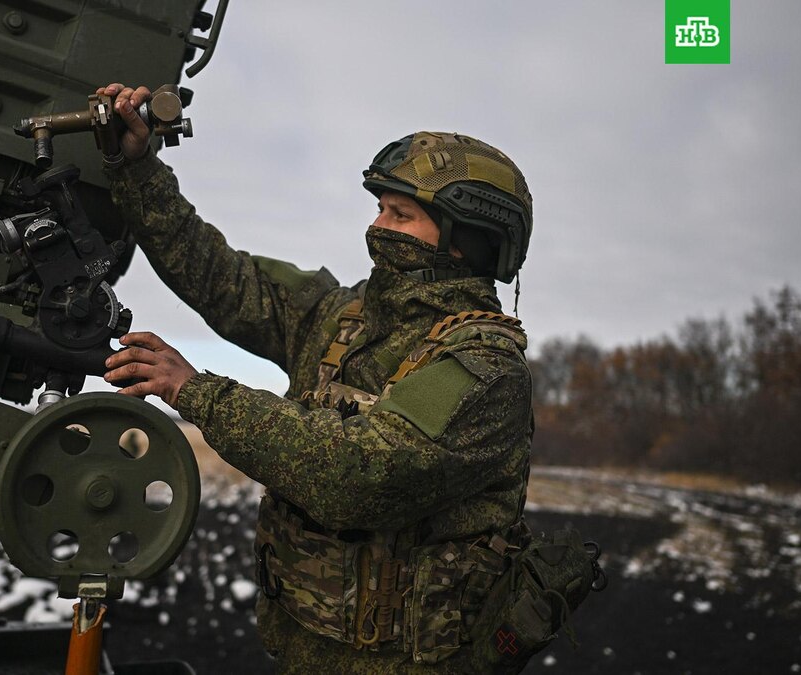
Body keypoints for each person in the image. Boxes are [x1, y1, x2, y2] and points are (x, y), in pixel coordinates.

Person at [100, 83, 536, 674]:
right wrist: (136, 167)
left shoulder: (484, 367)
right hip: (302, 647)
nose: (378, 227)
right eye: (379, 208)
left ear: (467, 243)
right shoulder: (340, 315)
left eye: (401, 215)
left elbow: (359, 476)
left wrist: (196, 391)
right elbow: (222, 277)